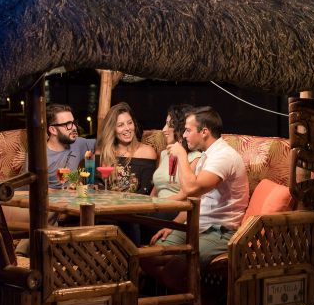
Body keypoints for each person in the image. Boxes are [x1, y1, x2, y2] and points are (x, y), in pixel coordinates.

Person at [151, 106, 249, 266]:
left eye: (188, 130)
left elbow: (191, 188)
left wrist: (181, 155)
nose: (183, 135)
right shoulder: (206, 156)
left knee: (176, 263)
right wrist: (174, 225)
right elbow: (193, 198)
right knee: (152, 254)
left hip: (219, 231)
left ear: (204, 132)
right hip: (197, 225)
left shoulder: (223, 156)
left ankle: (189, 283)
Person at [97, 102, 157, 195]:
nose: (127, 128)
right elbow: (96, 187)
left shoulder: (147, 152)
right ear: (112, 129)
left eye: (129, 123)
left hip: (137, 204)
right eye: (120, 125)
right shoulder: (102, 153)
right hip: (106, 203)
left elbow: (146, 191)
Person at [150, 104, 202, 200]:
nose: (164, 130)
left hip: (176, 206)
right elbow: (156, 189)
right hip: (157, 205)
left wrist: (159, 204)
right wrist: (147, 203)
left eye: (170, 125)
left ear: (182, 128)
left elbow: (186, 194)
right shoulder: (164, 154)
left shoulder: (196, 157)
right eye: (166, 124)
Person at [46, 103, 95, 189]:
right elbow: (26, 191)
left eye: (73, 123)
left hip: (75, 196)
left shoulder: (78, 143)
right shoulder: (39, 157)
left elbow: (105, 144)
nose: (74, 128)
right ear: (53, 130)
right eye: (68, 124)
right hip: (50, 197)